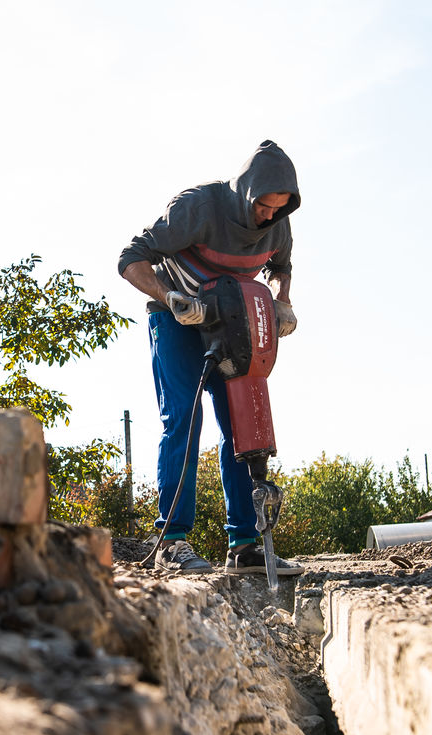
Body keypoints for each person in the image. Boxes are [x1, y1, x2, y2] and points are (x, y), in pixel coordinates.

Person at [119, 140, 302, 574]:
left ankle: (244, 546)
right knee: (183, 418)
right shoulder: (198, 207)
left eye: (279, 208)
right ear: (245, 191)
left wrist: (283, 301)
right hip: (177, 319)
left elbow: (281, 266)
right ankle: (172, 542)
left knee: (241, 425)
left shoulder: (278, 224)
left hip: (232, 327)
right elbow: (131, 259)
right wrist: (172, 297)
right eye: (263, 205)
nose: (269, 215)